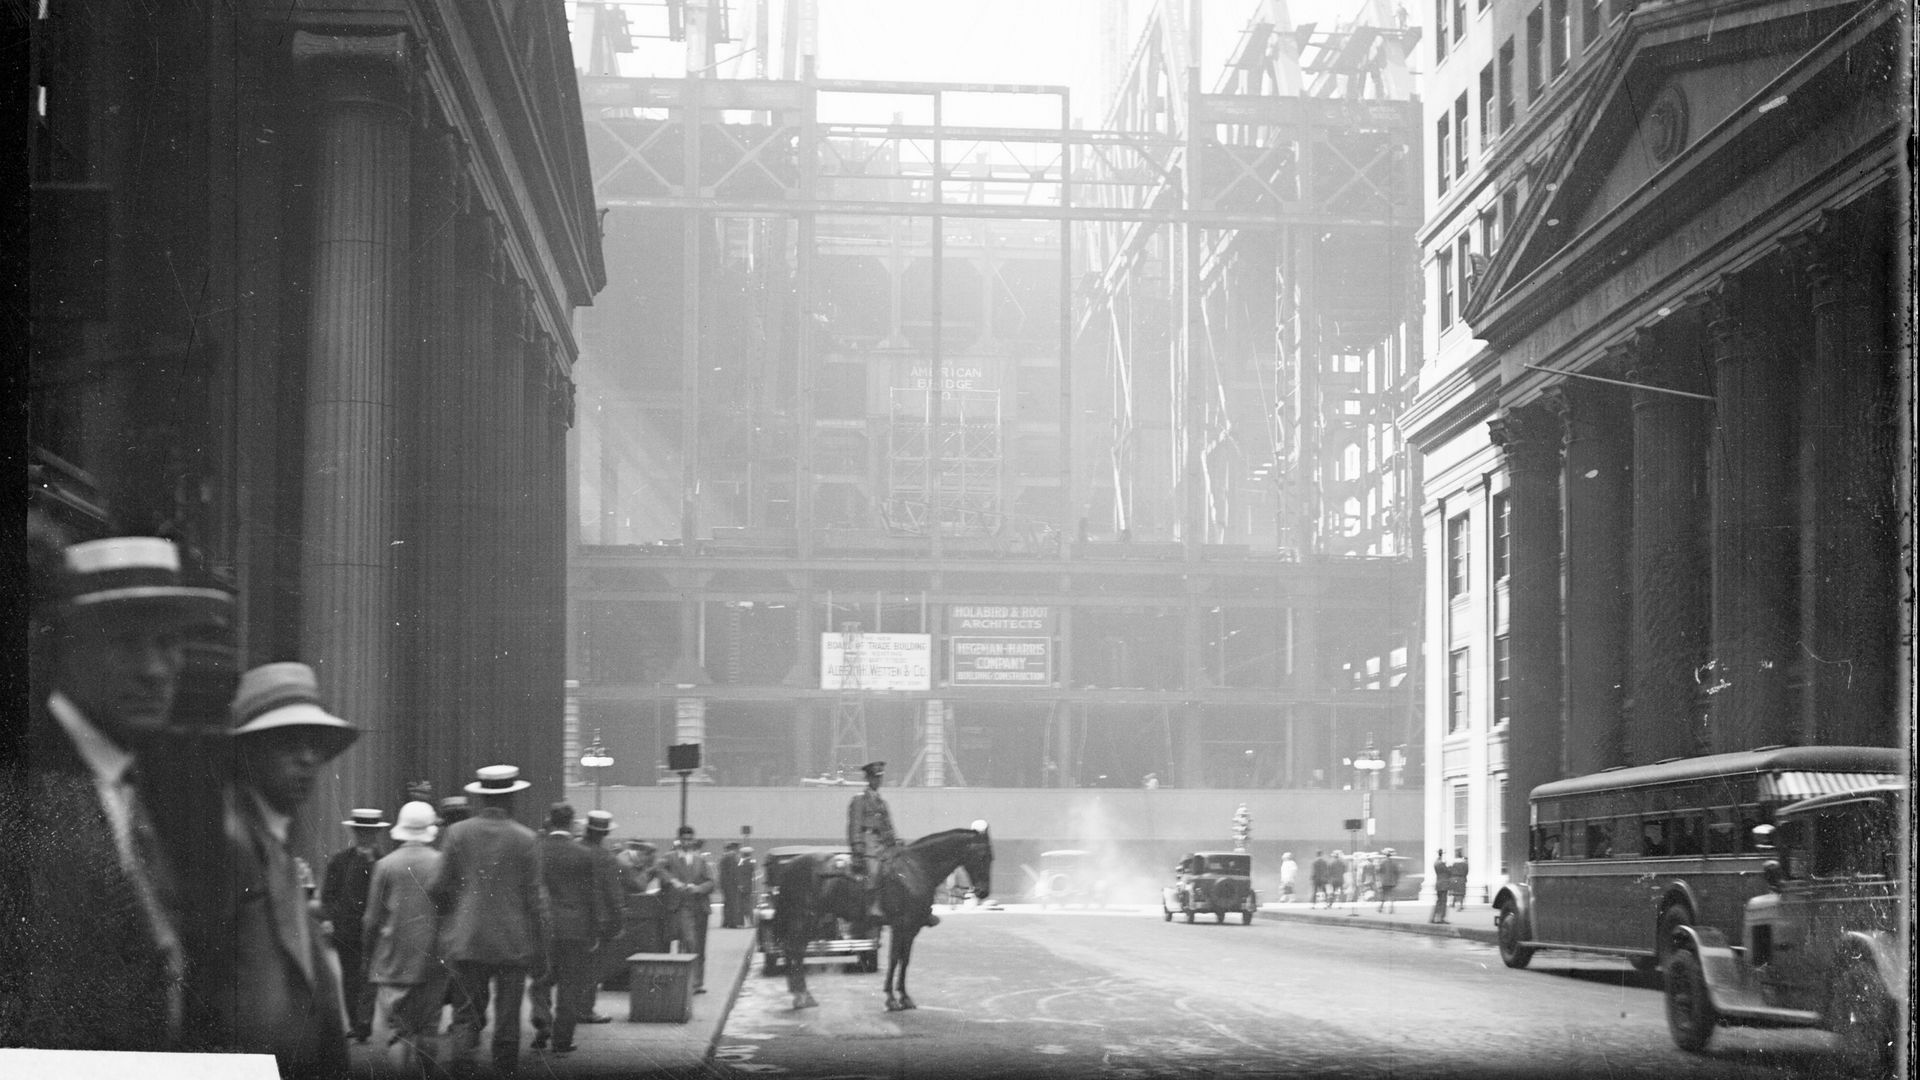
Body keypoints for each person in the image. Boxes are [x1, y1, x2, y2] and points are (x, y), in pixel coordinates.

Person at [2, 535, 229, 1051]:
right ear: (65, 646)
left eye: (168, 643)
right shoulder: (26, 783)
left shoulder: (139, 786)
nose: (155, 670)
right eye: (127, 642)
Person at [216, 661, 360, 1079]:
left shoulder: (269, 836)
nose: (308, 759)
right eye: (289, 744)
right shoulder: (231, 842)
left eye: (316, 745)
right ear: (247, 752)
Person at [432, 764, 550, 1076]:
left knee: (465, 1014)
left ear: (481, 798)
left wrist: (453, 917)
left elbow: (438, 887)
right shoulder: (526, 839)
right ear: (513, 798)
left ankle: (461, 1068)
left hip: (467, 938)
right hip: (513, 941)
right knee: (509, 1018)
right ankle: (504, 1071)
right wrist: (540, 947)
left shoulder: (456, 833)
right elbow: (535, 900)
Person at [362, 800, 447, 1074]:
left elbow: (371, 919)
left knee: (398, 1032)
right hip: (433, 959)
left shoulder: (385, 865)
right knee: (429, 1030)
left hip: (393, 959)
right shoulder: (441, 863)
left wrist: (367, 955)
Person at [530, 803, 615, 1055]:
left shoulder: (536, 851)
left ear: (549, 820)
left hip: (542, 927)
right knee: (569, 985)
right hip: (575, 929)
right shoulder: (583, 854)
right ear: (571, 823)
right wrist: (594, 932)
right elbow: (592, 896)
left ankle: (542, 1021)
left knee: (541, 980)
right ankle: (562, 1041)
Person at [322, 807, 389, 1042]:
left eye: (370, 832)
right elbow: (328, 894)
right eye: (361, 831)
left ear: (376, 834)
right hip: (346, 930)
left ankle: (363, 1024)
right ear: (355, 832)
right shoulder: (339, 861)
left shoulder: (384, 862)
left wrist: (372, 864)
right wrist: (329, 919)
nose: (365, 836)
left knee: (370, 978)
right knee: (350, 978)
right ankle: (355, 1023)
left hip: (375, 931)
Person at [846, 760, 938, 927]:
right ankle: (873, 906)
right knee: (874, 870)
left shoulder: (881, 802)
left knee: (905, 866)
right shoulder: (859, 800)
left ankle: (918, 907)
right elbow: (855, 825)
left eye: (879, 778)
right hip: (868, 843)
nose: (877, 781)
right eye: (874, 778)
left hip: (883, 844)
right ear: (868, 779)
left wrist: (896, 842)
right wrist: (857, 847)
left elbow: (888, 827)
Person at [661, 824, 716, 994]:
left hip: (700, 907)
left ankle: (697, 982)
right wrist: (673, 881)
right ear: (679, 840)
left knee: (699, 945)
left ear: (693, 840)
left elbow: (711, 882)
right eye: (684, 839)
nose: (687, 842)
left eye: (690, 839)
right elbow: (659, 869)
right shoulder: (670, 858)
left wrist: (698, 888)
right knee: (689, 941)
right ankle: (688, 982)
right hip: (681, 907)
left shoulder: (701, 860)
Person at [579, 810, 627, 1005]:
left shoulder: (575, 848)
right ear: (606, 833)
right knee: (592, 966)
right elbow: (613, 893)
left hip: (573, 917)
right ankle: (586, 1009)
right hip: (599, 920)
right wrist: (619, 920)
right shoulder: (606, 857)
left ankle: (572, 1007)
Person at [718, 841, 745, 928]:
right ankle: (733, 923)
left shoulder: (724, 857)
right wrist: (739, 884)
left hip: (725, 884)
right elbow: (734, 872)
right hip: (731, 884)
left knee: (727, 903)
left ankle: (726, 922)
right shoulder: (732, 858)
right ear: (734, 849)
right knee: (733, 904)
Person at [1376, 849, 1401, 913]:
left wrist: (1379, 880)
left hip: (1384, 881)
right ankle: (1391, 909)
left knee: (1383, 895)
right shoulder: (1394, 863)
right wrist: (1396, 881)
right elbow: (1397, 873)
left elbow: (1378, 872)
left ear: (1385, 855)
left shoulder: (1382, 862)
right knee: (1391, 895)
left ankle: (1381, 908)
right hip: (1392, 882)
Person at [1430, 849, 1451, 924]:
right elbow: (1448, 872)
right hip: (1444, 884)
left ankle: (1433, 918)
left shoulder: (1436, 863)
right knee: (1443, 902)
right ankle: (1441, 918)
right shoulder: (1442, 864)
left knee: (1438, 902)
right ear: (1442, 854)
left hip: (1438, 883)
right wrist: (1449, 867)